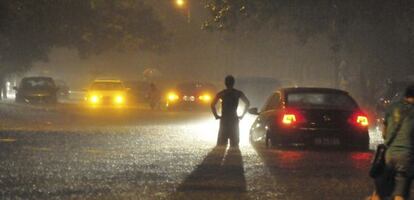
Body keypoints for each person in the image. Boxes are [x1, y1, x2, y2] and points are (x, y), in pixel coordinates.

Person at [370, 85, 414, 200]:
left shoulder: (392, 107)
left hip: (389, 154)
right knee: (400, 192)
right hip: (406, 155)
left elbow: (384, 133)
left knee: (382, 188)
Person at [211, 75, 250, 147]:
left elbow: (212, 105)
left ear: (225, 83)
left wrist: (216, 115)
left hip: (224, 119)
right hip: (234, 119)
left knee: (222, 144)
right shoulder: (238, 93)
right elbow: (247, 103)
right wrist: (242, 115)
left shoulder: (222, 93)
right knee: (234, 144)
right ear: (233, 83)